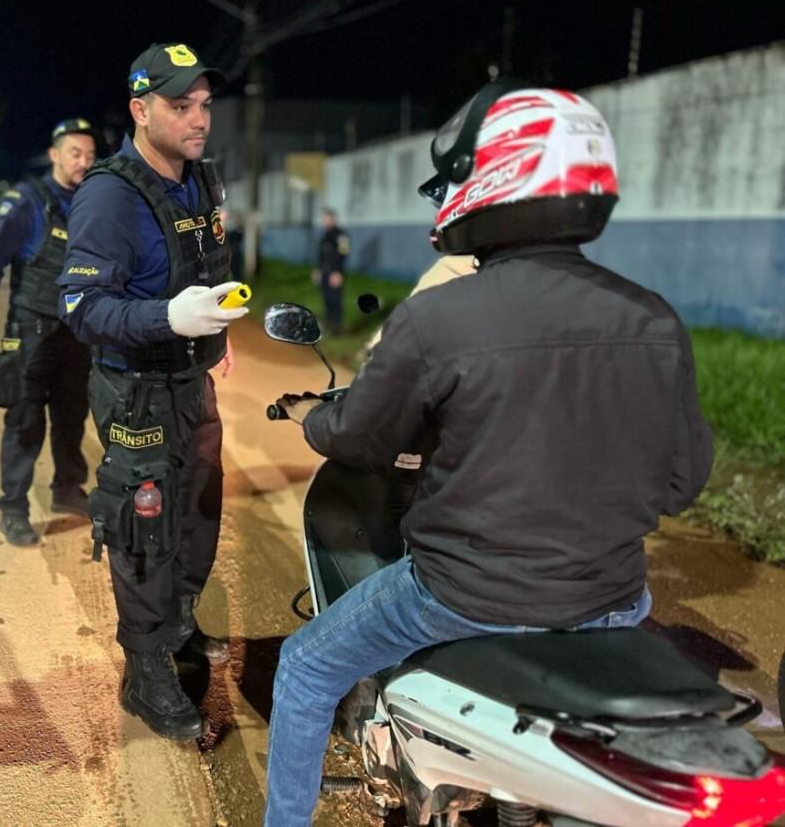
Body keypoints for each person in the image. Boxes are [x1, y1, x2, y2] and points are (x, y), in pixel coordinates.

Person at [265, 82, 714, 824]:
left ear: (495, 176)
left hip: (465, 595)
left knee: (306, 666)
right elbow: (681, 481)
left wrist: (315, 420)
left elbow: (362, 438)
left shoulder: (439, 316)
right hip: (612, 599)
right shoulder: (653, 319)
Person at [57, 43, 249, 740]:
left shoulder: (197, 180)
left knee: (197, 514)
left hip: (191, 382)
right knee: (146, 532)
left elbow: (203, 262)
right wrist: (170, 317)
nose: (199, 120)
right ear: (141, 111)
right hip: (136, 392)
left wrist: (213, 337)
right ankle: (145, 672)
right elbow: (81, 309)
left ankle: (176, 624)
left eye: (204, 105)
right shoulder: (110, 195)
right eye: (181, 106)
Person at [0, 119, 99, 545]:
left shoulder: (92, 203)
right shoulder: (28, 200)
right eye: (75, 153)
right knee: (24, 421)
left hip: (76, 330)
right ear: (55, 154)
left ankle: (67, 489)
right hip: (29, 327)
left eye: (90, 155)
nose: (83, 161)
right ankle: (13, 508)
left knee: (71, 414)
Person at [312, 207, 349, 334]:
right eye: (324, 219)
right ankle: (328, 327)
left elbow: (343, 254)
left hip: (335, 274)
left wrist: (338, 273)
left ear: (333, 219)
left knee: (335, 301)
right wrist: (318, 270)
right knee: (326, 300)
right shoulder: (324, 237)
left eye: (328, 219)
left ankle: (337, 330)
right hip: (325, 274)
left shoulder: (341, 235)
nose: (326, 222)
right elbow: (321, 256)